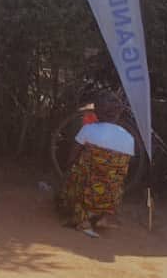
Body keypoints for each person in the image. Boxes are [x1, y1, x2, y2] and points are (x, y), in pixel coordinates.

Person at [59, 92, 135, 238]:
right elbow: (123, 170)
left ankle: (83, 221)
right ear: (118, 113)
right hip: (111, 194)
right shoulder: (129, 138)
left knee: (76, 173)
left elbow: (73, 155)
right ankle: (103, 217)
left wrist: (67, 171)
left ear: (98, 112)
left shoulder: (89, 129)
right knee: (112, 177)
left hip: (89, 191)